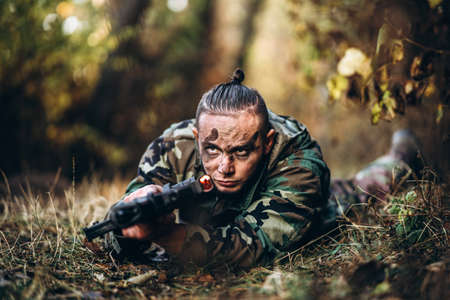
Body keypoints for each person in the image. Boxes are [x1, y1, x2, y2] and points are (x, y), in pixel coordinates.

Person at [104, 69, 420, 268]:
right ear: (198, 137)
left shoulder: (298, 161)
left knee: (362, 190)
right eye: (211, 150)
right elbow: (126, 209)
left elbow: (250, 247)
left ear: (266, 143)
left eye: (241, 151)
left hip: (302, 206)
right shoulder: (175, 144)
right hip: (219, 214)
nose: (224, 167)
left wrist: (164, 234)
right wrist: (135, 211)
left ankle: (402, 157)